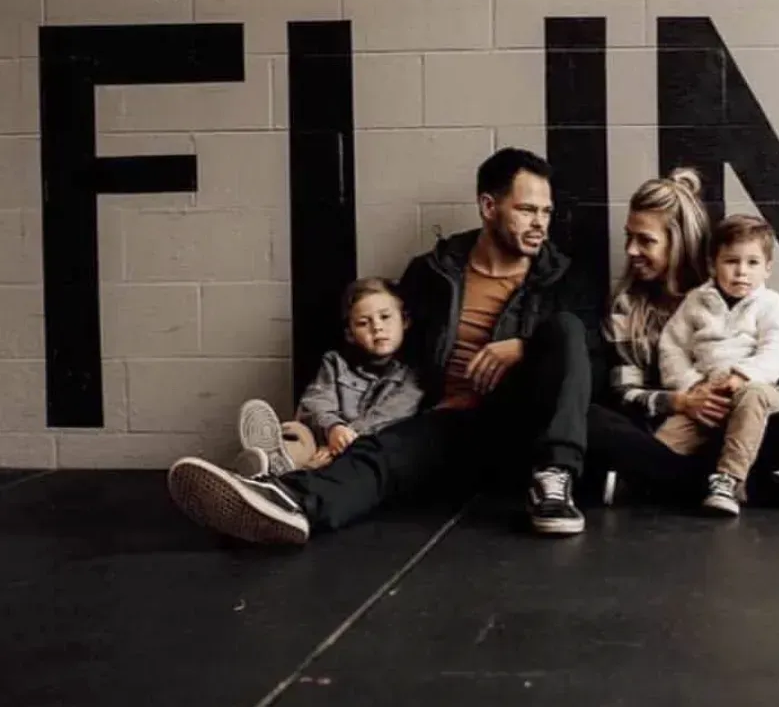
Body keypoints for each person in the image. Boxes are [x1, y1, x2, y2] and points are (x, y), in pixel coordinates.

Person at [166, 147, 595, 545]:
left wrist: (522, 347)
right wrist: (345, 422)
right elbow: (392, 357)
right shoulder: (432, 274)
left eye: (546, 211)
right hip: (451, 424)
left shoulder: (561, 278)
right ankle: (283, 502)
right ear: (488, 207)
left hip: (525, 422)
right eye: (526, 210)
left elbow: (588, 357)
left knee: (566, 328)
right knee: (382, 453)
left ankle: (554, 482)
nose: (541, 223)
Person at [586, 168, 779, 509]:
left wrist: (737, 386)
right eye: (629, 238)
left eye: (646, 240)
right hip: (671, 426)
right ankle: (732, 486)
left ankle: (654, 484)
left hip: (737, 418)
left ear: (677, 241)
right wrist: (684, 399)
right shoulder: (628, 305)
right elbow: (624, 393)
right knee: (592, 420)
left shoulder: (735, 284)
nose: (631, 250)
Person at [655, 214, 779, 516]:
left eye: (752, 263)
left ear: (768, 269)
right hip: (708, 392)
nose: (741, 272)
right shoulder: (696, 301)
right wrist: (692, 385)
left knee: (754, 397)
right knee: (662, 446)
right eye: (731, 261)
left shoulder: (770, 304)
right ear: (713, 265)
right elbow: (672, 347)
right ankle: (652, 480)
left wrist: (743, 375)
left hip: (755, 390)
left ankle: (728, 481)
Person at [232, 277, 423, 478]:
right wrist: (334, 428)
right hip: (325, 440)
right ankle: (270, 462)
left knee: (381, 449)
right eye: (363, 323)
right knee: (296, 431)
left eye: (385, 317)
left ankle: (279, 476)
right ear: (350, 334)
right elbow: (314, 402)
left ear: (405, 321)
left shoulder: (414, 372)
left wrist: (345, 440)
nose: (377, 327)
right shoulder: (335, 363)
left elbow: (390, 415)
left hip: (369, 447)